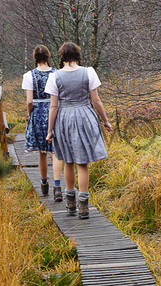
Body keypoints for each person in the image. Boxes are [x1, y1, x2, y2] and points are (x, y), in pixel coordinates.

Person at [45, 42, 112, 219]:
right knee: (82, 163)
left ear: (61, 56)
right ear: (77, 55)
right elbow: (96, 101)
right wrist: (105, 120)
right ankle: (84, 206)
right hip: (84, 116)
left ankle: (70, 202)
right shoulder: (88, 72)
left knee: (68, 161)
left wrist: (50, 131)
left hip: (64, 119)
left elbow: (53, 106)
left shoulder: (55, 76)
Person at [22, 45, 64, 201]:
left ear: (35, 58)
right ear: (48, 56)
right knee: (55, 151)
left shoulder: (29, 75)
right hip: (55, 111)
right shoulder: (57, 73)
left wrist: (30, 115)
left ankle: (44, 183)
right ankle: (58, 187)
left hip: (38, 112)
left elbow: (29, 101)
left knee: (42, 151)